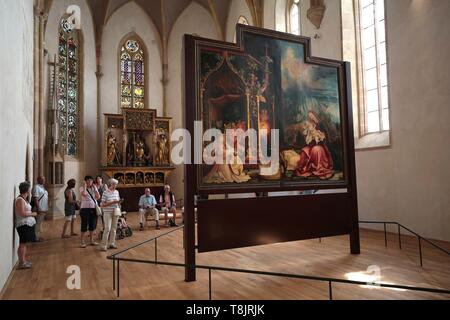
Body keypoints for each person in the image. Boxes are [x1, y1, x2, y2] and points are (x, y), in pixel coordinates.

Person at [15, 182, 37, 269]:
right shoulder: (20, 200)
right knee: (22, 243)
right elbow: (22, 213)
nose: (30, 190)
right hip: (23, 225)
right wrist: (33, 214)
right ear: (26, 189)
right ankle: (21, 263)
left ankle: (23, 261)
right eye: (29, 188)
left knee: (24, 243)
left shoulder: (24, 199)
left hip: (26, 224)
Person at [100, 178, 122, 251]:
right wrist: (112, 202)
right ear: (110, 184)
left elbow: (117, 201)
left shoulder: (117, 192)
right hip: (107, 212)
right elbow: (102, 205)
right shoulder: (105, 192)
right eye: (114, 184)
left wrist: (119, 202)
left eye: (116, 184)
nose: (115, 186)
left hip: (115, 211)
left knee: (114, 228)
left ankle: (112, 243)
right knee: (107, 228)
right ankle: (103, 245)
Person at [79, 175, 100, 248]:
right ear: (85, 181)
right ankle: (82, 241)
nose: (89, 182)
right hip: (85, 209)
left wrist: (95, 189)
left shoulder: (94, 188)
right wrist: (85, 186)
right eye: (87, 180)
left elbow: (98, 197)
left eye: (91, 180)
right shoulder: (82, 188)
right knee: (84, 225)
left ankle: (91, 240)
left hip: (93, 208)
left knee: (92, 225)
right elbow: (84, 194)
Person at [32, 176, 48, 241]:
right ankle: (35, 238)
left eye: (44, 179)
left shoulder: (42, 187)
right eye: (42, 179)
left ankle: (37, 236)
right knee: (37, 223)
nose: (44, 180)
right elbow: (35, 198)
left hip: (43, 208)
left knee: (39, 223)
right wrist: (38, 208)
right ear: (38, 180)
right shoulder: (36, 187)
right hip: (39, 208)